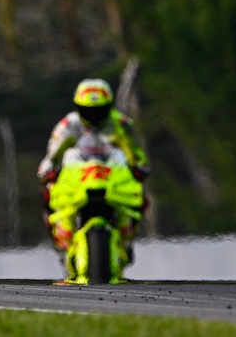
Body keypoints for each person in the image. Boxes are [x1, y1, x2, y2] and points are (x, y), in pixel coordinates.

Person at [37, 78, 151, 256]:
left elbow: (136, 152)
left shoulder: (121, 124)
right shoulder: (68, 125)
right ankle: (59, 239)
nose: (94, 115)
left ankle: (127, 238)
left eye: (99, 110)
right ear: (78, 107)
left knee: (140, 193)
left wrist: (140, 166)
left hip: (111, 174)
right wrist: (47, 169)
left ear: (108, 106)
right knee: (47, 192)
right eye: (88, 110)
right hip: (78, 175)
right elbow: (52, 153)